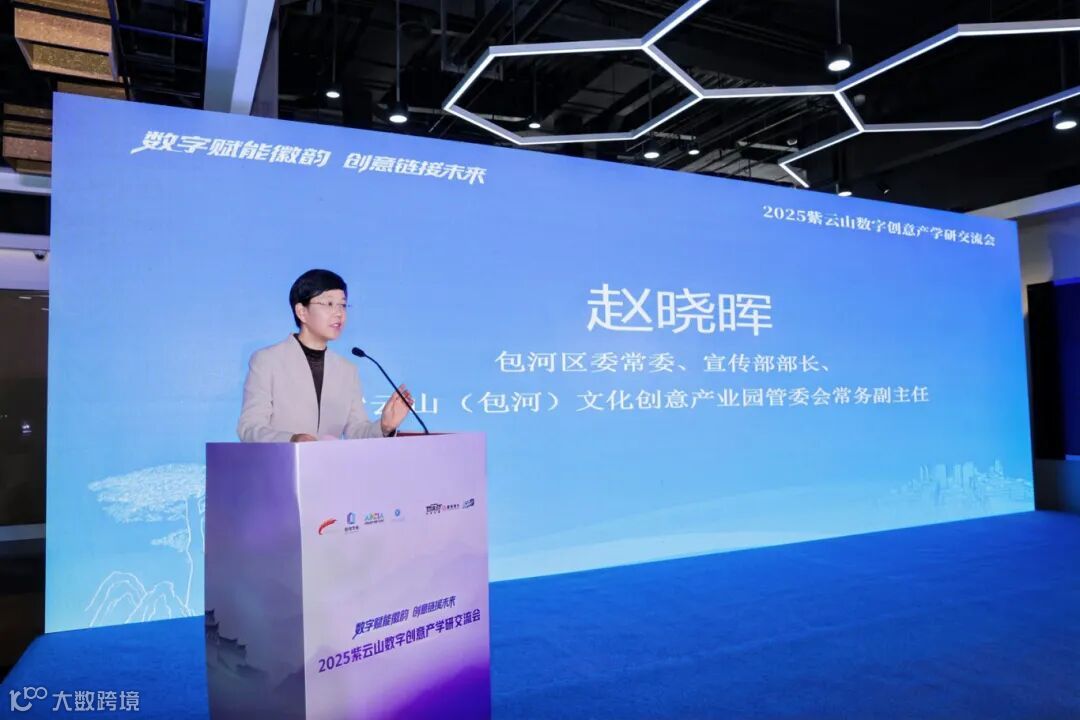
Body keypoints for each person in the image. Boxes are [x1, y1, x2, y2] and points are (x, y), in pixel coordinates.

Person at [237, 269, 413, 442]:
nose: (339, 313)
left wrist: (384, 427)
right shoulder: (268, 360)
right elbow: (250, 427)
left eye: (342, 305)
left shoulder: (347, 370)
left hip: (329, 462)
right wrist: (292, 440)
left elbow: (355, 432)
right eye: (329, 304)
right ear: (302, 311)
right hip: (282, 460)